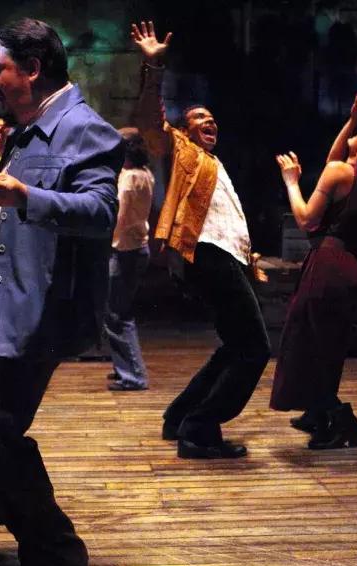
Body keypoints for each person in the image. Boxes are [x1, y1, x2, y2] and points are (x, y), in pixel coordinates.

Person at [0, 18, 123, 566]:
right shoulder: (22, 129)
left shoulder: (86, 130)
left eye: (0, 69)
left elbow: (100, 213)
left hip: (33, 307)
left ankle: (56, 553)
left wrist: (24, 195)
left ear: (34, 69)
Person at [131, 21, 270, 459]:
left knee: (237, 345)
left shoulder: (215, 164)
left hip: (223, 257)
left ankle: (180, 416)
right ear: (186, 131)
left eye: (211, 119)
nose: (209, 122)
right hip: (205, 255)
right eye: (198, 119)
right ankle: (201, 428)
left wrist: (250, 257)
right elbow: (150, 125)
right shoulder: (182, 151)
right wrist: (154, 69)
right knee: (255, 349)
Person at [271, 84, 357, 449]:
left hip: (328, 267)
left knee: (311, 341)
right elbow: (334, 162)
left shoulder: (341, 173)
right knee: (321, 341)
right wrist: (352, 120)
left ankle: (340, 420)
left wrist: (291, 182)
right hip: (345, 266)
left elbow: (304, 220)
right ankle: (319, 414)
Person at [105, 127, 153, 391]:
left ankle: (133, 375)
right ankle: (124, 368)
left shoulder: (128, 178)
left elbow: (120, 215)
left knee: (116, 315)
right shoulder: (145, 174)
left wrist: (108, 243)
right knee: (119, 311)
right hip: (137, 248)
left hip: (124, 250)